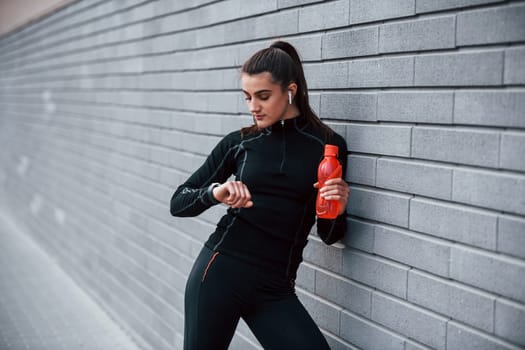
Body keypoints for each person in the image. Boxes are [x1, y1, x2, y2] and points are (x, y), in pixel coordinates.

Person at [170, 40, 349, 350]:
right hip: (218, 275)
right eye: (248, 97)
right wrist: (217, 192)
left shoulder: (327, 146)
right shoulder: (239, 143)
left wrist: (339, 207)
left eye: (263, 96)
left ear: (290, 90)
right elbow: (179, 202)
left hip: (275, 288)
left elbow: (330, 234)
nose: (253, 106)